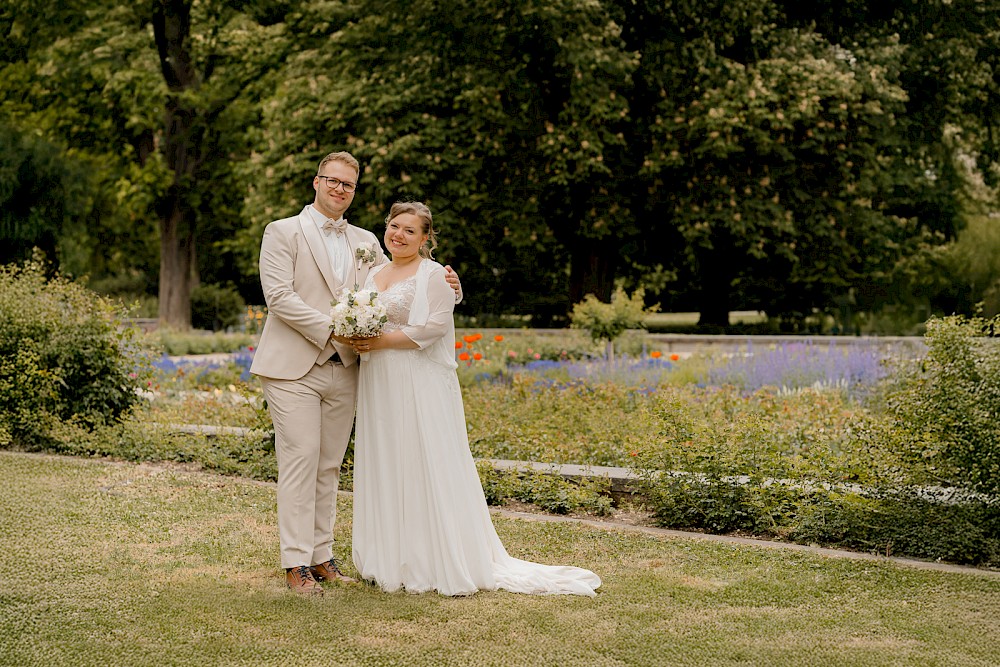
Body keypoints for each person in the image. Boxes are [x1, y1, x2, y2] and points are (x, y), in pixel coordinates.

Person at [348, 201, 601, 597]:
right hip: (378, 381)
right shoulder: (373, 272)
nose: (398, 234)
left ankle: (429, 556)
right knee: (388, 457)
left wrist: (375, 341)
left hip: (416, 382)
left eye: (410, 230)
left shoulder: (435, 275)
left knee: (421, 458)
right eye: (394, 226)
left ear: (425, 238)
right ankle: (389, 554)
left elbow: (433, 328)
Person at [249, 152, 462, 596]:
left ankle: (322, 557)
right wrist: (338, 329)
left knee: (329, 465)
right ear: (316, 181)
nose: (339, 189)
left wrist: (452, 285)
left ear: (354, 190)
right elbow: (279, 297)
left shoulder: (367, 240)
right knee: (301, 459)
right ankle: (295, 563)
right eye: (332, 181)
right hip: (293, 367)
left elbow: (400, 281)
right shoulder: (282, 231)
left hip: (346, 369)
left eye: (348, 184)